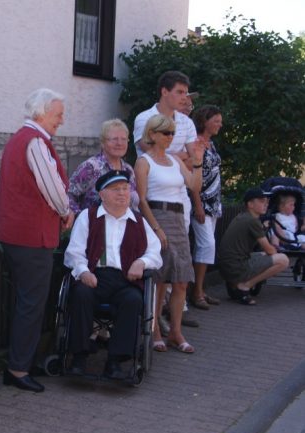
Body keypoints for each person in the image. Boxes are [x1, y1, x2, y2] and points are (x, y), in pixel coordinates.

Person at [0, 88, 74, 392]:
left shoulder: (21, 138)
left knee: (26, 301)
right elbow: (52, 187)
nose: (61, 120)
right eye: (58, 115)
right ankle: (18, 368)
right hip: (30, 235)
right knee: (31, 303)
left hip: (17, 233)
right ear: (42, 113)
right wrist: (66, 211)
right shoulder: (35, 141)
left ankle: (21, 361)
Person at [64, 170, 162, 379]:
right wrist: (83, 271)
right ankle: (78, 358)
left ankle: (115, 361)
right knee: (81, 294)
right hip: (95, 276)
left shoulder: (138, 221)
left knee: (133, 300)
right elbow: (74, 252)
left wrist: (141, 262)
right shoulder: (88, 217)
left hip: (126, 279)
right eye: (116, 189)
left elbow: (155, 252)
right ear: (102, 195)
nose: (122, 193)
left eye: (125, 188)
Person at [134, 114, 203, 354]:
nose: (170, 137)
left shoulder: (174, 160)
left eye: (172, 133)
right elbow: (141, 199)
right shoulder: (144, 162)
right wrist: (156, 228)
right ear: (152, 134)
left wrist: (197, 163)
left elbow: (194, 185)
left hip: (177, 218)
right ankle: (155, 330)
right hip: (157, 217)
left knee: (181, 279)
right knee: (160, 279)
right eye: (166, 132)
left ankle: (175, 331)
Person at [218, 188, 290, 305]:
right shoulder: (252, 221)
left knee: (263, 254)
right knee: (283, 260)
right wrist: (273, 257)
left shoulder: (243, 216)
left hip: (227, 266)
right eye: (261, 201)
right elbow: (269, 250)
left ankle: (234, 284)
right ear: (250, 204)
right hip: (235, 267)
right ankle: (244, 286)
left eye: (266, 201)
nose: (266, 204)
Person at [189, 105, 224, 310]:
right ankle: (196, 292)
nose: (220, 124)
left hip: (214, 203)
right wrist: (198, 205)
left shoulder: (211, 144)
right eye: (216, 121)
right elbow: (195, 176)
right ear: (205, 121)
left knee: (206, 246)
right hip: (202, 202)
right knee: (207, 245)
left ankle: (200, 290)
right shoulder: (196, 143)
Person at [68, 119, 139, 214]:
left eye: (123, 139)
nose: (119, 143)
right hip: (95, 222)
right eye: (114, 139)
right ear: (103, 143)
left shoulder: (128, 170)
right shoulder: (91, 167)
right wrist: (81, 217)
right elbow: (69, 194)